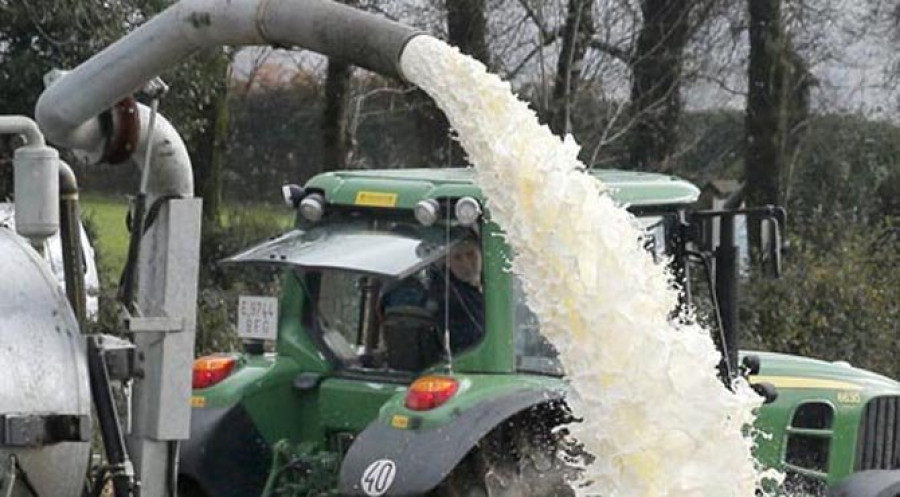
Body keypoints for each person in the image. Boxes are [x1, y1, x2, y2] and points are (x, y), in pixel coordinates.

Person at [432, 238, 485, 353]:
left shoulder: (496, 283)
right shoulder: (448, 298)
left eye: (470, 254)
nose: (466, 263)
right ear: (447, 263)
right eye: (457, 258)